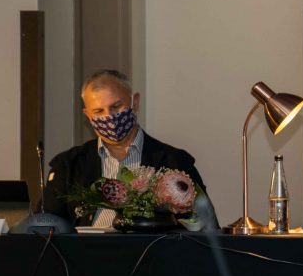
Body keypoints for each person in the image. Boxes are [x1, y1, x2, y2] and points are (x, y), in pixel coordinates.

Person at [42, 69, 211, 227]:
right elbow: (45, 228)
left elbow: (205, 228)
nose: (109, 117)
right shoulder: (68, 165)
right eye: (99, 111)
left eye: (116, 106)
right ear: (88, 115)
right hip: (86, 249)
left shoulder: (175, 162)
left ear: (134, 102)